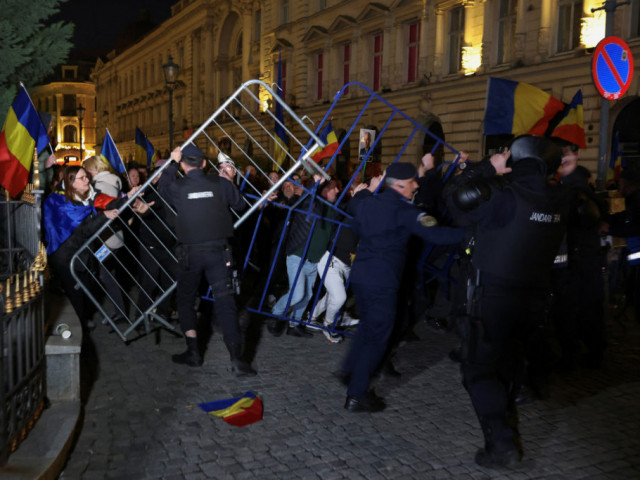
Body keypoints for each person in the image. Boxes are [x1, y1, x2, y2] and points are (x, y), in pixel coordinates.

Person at [446, 135, 570, 467]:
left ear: (514, 160)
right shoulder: (559, 199)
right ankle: (508, 415)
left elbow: (454, 201)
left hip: (493, 299)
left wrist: (487, 168)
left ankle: (501, 445)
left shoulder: (504, 197)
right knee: (510, 363)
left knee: (478, 370)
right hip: (533, 301)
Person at [339, 162, 465, 413]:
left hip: (362, 277)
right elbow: (437, 235)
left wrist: (365, 193)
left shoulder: (367, 204)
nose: (416, 185)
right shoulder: (404, 211)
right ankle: (357, 394)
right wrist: (472, 234)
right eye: (411, 182)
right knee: (377, 338)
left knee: (367, 329)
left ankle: (350, 372)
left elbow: (355, 218)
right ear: (398, 185)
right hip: (383, 281)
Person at [158, 144, 256, 376]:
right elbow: (240, 205)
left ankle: (193, 352)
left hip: (190, 254)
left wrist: (172, 161)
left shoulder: (177, 186)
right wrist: (229, 181)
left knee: (185, 300)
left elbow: (162, 187)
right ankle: (236, 359)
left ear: (183, 165)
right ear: (204, 163)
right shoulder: (220, 184)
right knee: (225, 302)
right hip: (218, 253)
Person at [43, 166, 148, 331]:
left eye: (86, 176)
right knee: (76, 293)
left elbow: (110, 202)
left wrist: (128, 197)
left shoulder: (90, 194)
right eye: (82, 178)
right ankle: (80, 330)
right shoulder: (60, 202)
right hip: (66, 257)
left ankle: (86, 320)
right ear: (71, 183)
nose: (87, 180)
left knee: (89, 286)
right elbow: (82, 229)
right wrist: (103, 217)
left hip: (85, 254)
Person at [551, 142, 607, 370]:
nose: (564, 158)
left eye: (568, 153)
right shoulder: (569, 186)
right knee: (583, 309)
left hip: (578, 263)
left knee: (576, 310)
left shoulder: (574, 190)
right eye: (560, 154)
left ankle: (577, 354)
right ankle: (588, 351)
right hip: (576, 261)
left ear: (577, 155)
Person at [269, 178, 341, 337]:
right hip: (298, 256)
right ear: (323, 190)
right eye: (334, 188)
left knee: (307, 295)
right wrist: (314, 183)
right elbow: (308, 198)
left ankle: (294, 325)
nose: (337, 191)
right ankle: (275, 314)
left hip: (314, 260)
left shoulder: (333, 209)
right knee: (297, 294)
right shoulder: (310, 204)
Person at [82, 155, 129, 323]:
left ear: (93, 169)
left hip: (106, 239)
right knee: (109, 273)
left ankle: (120, 312)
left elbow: (106, 210)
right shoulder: (111, 181)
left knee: (105, 275)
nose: (85, 175)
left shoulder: (102, 186)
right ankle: (120, 310)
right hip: (111, 237)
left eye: (86, 171)